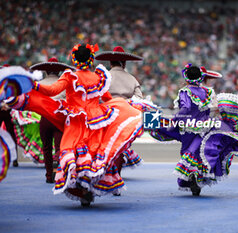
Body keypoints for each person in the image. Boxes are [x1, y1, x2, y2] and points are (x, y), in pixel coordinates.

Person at [8, 44, 143, 206]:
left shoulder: (70, 77)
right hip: (96, 121)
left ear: (74, 59)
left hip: (76, 121)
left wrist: (34, 85)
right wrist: (121, 106)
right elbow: (107, 98)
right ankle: (87, 187)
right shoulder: (98, 77)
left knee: (73, 151)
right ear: (91, 59)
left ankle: (80, 188)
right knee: (93, 153)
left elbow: (52, 90)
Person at [149, 64, 238, 195]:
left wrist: (175, 119)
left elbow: (185, 109)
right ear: (200, 78)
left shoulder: (185, 92)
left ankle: (193, 178)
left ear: (186, 78)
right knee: (198, 152)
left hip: (187, 127)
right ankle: (196, 179)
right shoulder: (208, 92)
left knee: (186, 149)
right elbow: (214, 109)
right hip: (205, 126)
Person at [95, 46, 143, 175]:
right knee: (119, 146)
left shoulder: (103, 77)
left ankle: (102, 170)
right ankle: (116, 175)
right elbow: (139, 99)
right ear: (124, 63)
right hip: (124, 117)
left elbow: (95, 96)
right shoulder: (132, 79)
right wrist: (124, 103)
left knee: (104, 144)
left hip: (105, 115)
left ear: (110, 62)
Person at [30, 57, 74, 183]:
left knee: (46, 148)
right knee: (59, 147)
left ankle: (49, 175)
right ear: (59, 72)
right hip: (59, 118)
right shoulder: (64, 83)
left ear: (46, 71)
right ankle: (57, 168)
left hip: (45, 119)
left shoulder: (40, 83)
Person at [0, 66, 34, 182]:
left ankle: (13, 159)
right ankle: (13, 159)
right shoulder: (10, 84)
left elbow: (16, 98)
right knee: (11, 133)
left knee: (11, 133)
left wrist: (6, 105)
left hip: (7, 111)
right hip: (7, 110)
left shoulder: (7, 84)